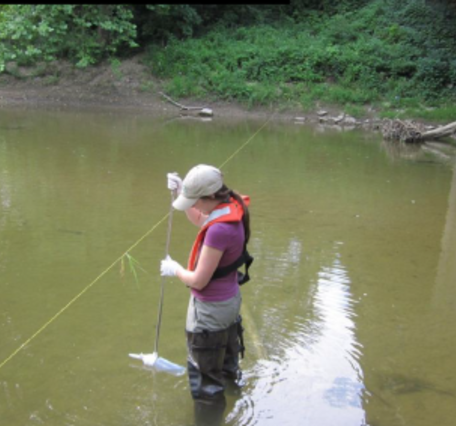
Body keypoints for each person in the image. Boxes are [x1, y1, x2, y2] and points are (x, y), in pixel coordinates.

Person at [160, 164, 252, 420]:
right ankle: (236, 401)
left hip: (209, 314)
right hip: (230, 305)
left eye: (195, 200)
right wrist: (182, 191)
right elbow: (202, 218)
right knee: (226, 367)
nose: (194, 207)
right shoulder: (232, 205)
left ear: (210, 196)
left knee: (205, 386)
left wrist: (175, 269)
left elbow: (198, 281)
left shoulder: (220, 230)